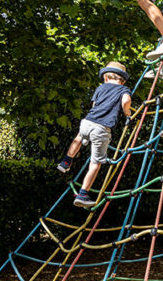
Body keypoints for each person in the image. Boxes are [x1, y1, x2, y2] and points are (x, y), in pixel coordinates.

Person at [57, 62, 132, 208]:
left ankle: (66, 161)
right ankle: (83, 194)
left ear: (105, 78)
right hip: (102, 129)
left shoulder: (100, 88)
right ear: (122, 80)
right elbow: (126, 101)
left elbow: (94, 105)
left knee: (78, 138)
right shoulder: (124, 89)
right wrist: (127, 112)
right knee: (95, 163)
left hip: (87, 121)